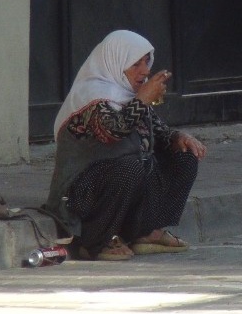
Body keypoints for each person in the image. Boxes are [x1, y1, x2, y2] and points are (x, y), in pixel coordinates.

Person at [44, 30, 207, 260]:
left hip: (125, 183)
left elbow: (159, 132)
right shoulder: (91, 97)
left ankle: (146, 231)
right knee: (129, 167)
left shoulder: (127, 95)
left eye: (146, 62)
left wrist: (178, 137)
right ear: (115, 63)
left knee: (183, 157)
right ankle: (95, 239)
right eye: (135, 64)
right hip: (81, 197)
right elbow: (112, 132)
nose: (145, 71)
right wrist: (142, 100)